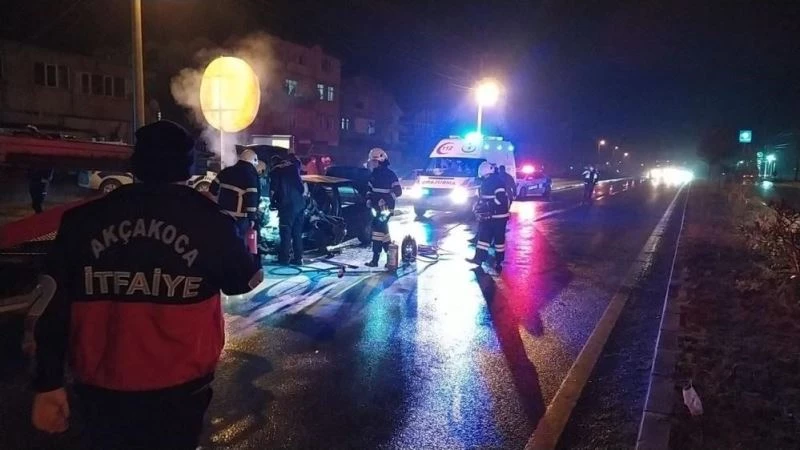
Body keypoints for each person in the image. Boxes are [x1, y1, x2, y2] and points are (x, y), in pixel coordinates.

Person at [31, 120, 263, 450]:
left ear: (135, 164)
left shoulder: (82, 221)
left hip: (100, 388)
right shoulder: (210, 221)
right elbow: (244, 280)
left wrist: (48, 383)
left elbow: (51, 306)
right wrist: (249, 244)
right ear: (188, 166)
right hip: (180, 389)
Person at [209, 149, 261, 246]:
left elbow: (212, 189)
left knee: (222, 242)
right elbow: (252, 198)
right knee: (238, 244)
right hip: (239, 218)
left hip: (222, 214)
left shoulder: (226, 171)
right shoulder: (250, 176)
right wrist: (252, 218)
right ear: (252, 161)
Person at [467, 161, 510, 272]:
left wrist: (487, 206)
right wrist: (479, 205)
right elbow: (484, 197)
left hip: (499, 217)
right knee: (483, 238)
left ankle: (498, 262)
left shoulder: (497, 182)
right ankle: (478, 259)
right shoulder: (486, 182)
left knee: (499, 241)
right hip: (488, 216)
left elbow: (500, 199)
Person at [365, 148, 402, 267]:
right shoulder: (373, 175)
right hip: (376, 209)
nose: (372, 164)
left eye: (374, 161)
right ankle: (391, 259)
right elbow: (369, 190)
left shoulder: (390, 175)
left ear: (381, 160)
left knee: (377, 232)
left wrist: (386, 200)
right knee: (384, 234)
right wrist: (369, 199)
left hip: (386, 210)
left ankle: (375, 260)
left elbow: (398, 191)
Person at [269, 155, 305, 265]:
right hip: (300, 205)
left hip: (287, 206)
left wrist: (273, 203)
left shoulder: (276, 171)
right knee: (297, 232)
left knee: (285, 232)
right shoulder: (293, 168)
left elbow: (272, 190)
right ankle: (298, 258)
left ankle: (284, 258)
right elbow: (302, 188)